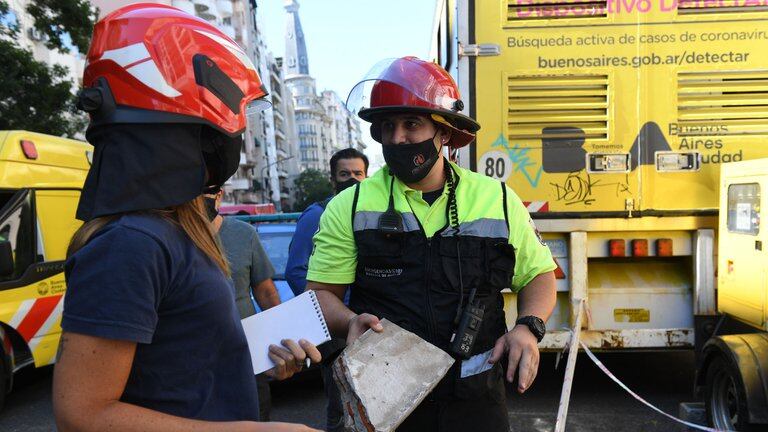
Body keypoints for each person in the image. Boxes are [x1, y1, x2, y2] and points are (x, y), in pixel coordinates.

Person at [52, 4, 320, 431]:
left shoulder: (178, 230)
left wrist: (258, 362)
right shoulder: (131, 243)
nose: (236, 133)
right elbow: (83, 413)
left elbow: (181, 363)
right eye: (233, 117)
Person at [306, 56, 557, 432]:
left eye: (411, 124)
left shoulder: (498, 200)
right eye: (387, 126)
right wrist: (348, 322)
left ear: (444, 132)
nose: (397, 138)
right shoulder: (350, 205)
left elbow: (539, 275)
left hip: (476, 399)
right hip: (384, 395)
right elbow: (321, 293)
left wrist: (528, 328)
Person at [285, 147, 368, 432]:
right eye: (344, 174)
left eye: (358, 174)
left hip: (371, 323)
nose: (352, 179)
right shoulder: (317, 215)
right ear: (333, 180)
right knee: (341, 406)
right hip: (335, 327)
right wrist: (331, 308)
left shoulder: (371, 212)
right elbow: (296, 271)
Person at [204, 187, 281, 422]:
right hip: (198, 355)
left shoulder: (243, 234)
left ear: (219, 195)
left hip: (247, 352)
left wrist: (282, 336)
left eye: (205, 194)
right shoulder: (174, 234)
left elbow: (266, 292)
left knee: (255, 416)